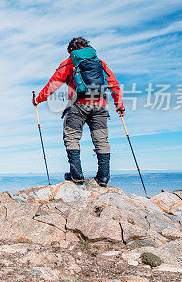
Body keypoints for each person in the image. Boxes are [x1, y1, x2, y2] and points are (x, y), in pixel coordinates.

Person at [32, 37, 124, 186]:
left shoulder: (70, 62)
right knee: (101, 140)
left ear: (70, 50)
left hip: (77, 106)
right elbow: (113, 83)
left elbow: (53, 84)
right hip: (100, 106)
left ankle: (77, 174)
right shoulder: (99, 62)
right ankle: (103, 177)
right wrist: (120, 105)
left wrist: (38, 100)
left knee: (72, 138)